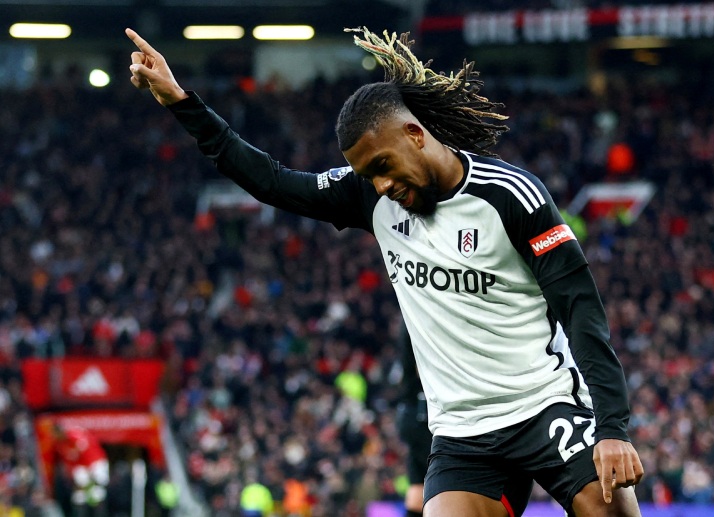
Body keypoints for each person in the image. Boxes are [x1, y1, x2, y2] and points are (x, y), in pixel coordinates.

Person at [126, 26, 644, 516]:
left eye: (382, 167)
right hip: (463, 434)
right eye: (365, 175)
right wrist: (181, 102)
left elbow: (581, 309)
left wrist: (613, 427)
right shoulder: (371, 201)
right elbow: (272, 181)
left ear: (415, 136)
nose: (378, 186)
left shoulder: (511, 198)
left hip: (544, 406)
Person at [395, 321, 533, 516]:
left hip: (413, 411)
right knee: (442, 487)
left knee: (418, 489)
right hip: (430, 414)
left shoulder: (412, 308)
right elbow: (424, 364)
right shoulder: (428, 312)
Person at [51, 423, 109, 516]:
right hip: (81, 468)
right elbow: (70, 462)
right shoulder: (60, 445)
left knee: (97, 493)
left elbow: (88, 454)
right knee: (79, 497)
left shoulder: (75, 436)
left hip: (95, 463)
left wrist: (91, 475)